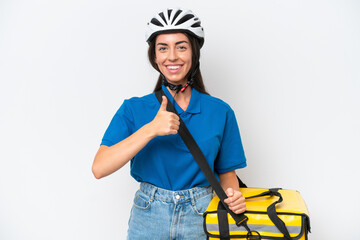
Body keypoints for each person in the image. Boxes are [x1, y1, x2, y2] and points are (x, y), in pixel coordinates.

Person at [92, 7, 247, 239]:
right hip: (148, 215)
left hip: (202, 214)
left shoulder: (220, 111)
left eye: (181, 47)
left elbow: (227, 174)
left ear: (194, 53)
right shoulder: (134, 109)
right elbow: (99, 167)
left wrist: (233, 195)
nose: (172, 56)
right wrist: (150, 129)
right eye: (163, 48)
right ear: (154, 56)